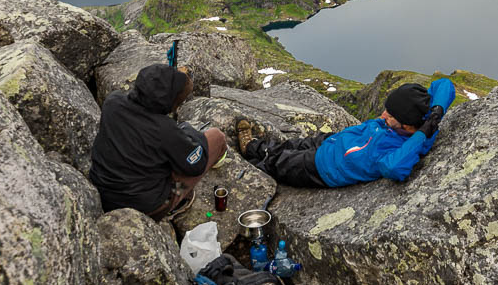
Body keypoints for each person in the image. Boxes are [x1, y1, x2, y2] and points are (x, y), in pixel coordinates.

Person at [239, 79, 455, 188]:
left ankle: (249, 155)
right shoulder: (424, 117)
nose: (383, 114)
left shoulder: (402, 147)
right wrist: (437, 111)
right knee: (293, 144)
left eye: (390, 115)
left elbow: (392, 168)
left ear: (407, 127)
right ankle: (257, 146)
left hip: (323, 167)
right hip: (334, 141)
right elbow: (444, 84)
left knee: (280, 162)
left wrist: (421, 136)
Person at [89, 63, 226, 220]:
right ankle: (174, 205)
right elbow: (196, 165)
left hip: (104, 193)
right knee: (216, 138)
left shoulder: (112, 102)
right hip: (145, 207)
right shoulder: (165, 130)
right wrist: (187, 131)